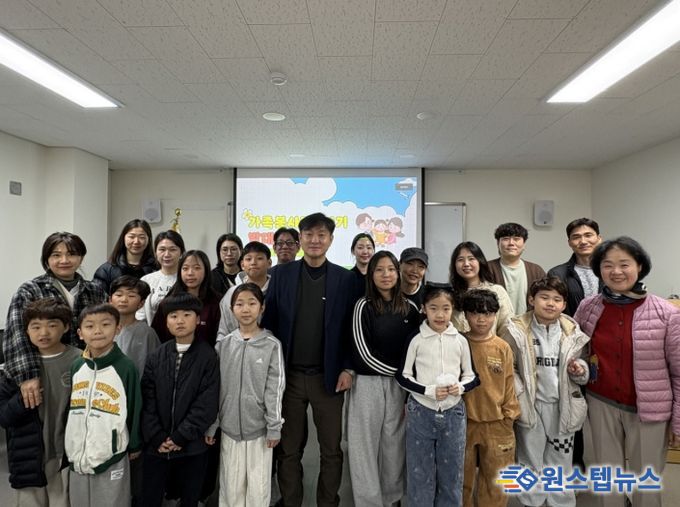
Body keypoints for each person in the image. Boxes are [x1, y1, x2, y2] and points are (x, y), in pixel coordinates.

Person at [261, 212, 359, 507]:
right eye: (309, 235)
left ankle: (327, 503)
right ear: (300, 239)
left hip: (328, 378)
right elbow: (270, 323)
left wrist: (348, 367)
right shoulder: (281, 275)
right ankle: (291, 501)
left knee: (331, 450)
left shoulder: (345, 279)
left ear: (330, 239)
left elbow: (351, 328)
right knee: (289, 449)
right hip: (288, 377)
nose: (315, 240)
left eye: (321, 235)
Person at [574, 237, 680, 507]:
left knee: (646, 482)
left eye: (624, 264)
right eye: (608, 265)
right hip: (600, 404)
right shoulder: (588, 307)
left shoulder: (666, 313)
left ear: (640, 266)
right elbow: (577, 352)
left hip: (649, 411)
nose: (616, 272)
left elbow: (678, 373)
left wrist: (677, 420)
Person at [503, 276, 589, 507]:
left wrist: (579, 369)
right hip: (530, 405)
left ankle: (560, 502)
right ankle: (531, 501)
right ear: (532, 300)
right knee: (530, 457)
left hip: (563, 406)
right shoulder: (515, 330)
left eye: (557, 299)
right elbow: (508, 367)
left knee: (561, 458)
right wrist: (519, 393)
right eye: (544, 297)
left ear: (564, 304)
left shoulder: (572, 331)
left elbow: (582, 366)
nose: (550, 303)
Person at [348, 251, 420, 506]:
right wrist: (401, 374)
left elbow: (417, 350)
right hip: (368, 384)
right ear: (371, 274)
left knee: (394, 444)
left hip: (400, 387)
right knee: (364, 448)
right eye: (379, 269)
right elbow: (363, 355)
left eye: (390, 269)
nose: (386, 275)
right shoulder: (363, 306)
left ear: (398, 273)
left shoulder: (410, 308)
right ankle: (368, 502)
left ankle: (391, 499)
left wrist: (406, 380)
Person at [396, 283, 479, 507]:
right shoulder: (416, 338)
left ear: (453, 310)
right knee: (419, 472)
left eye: (445, 308)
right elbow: (402, 376)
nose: (440, 315)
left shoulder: (460, 340)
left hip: (453, 413)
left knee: (452, 473)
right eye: (433, 308)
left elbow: (472, 376)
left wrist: (461, 387)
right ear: (424, 309)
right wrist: (428, 391)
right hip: (421, 411)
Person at [4, 232, 106, 411]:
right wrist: (28, 376)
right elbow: (17, 334)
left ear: (81, 257)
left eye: (71, 254)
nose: (64, 260)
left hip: (87, 370)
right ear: (47, 259)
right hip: (44, 371)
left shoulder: (95, 290)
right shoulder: (30, 290)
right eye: (56, 255)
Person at [207, 283, 285, 506]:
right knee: (230, 489)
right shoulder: (224, 345)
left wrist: (274, 426)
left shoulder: (271, 345)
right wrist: (213, 424)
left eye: (252, 303)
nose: (246, 309)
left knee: (258, 491)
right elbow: (216, 389)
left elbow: (275, 389)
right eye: (239, 304)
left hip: (260, 432)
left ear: (262, 308)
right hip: (229, 430)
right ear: (231, 309)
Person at [141, 293, 220, 507]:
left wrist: (180, 436)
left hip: (191, 446)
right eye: (173, 316)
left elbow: (207, 402)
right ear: (166, 322)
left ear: (198, 319)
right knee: (149, 498)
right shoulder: (156, 355)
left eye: (187, 315)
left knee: (189, 499)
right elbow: (147, 400)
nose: (180, 321)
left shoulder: (208, 356)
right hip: (157, 446)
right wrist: (157, 436)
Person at [0, 299, 81, 506]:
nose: (43, 333)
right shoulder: (17, 368)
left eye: (52, 325)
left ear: (66, 327)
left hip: (65, 453)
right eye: (35, 327)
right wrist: (22, 400)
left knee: (64, 501)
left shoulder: (80, 360)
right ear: (26, 331)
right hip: (29, 455)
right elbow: (4, 416)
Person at [65, 303, 143, 507]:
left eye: (105, 324)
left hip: (111, 455)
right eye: (90, 326)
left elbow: (135, 406)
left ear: (118, 328)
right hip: (78, 455)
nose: (98, 331)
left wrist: (135, 444)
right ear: (80, 333)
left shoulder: (126, 367)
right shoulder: (77, 367)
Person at [460, 290, 519, 507]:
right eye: (475, 313)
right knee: (460, 478)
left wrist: (509, 416)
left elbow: (509, 383)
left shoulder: (502, 347)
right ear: (466, 315)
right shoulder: (458, 342)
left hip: (497, 422)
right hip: (463, 422)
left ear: (495, 315)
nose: (481, 319)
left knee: (496, 479)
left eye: (487, 313)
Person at [151, 250, 221, 346]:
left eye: (196, 268)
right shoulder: (168, 303)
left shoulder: (217, 302)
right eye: (185, 268)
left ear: (206, 270)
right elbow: (157, 336)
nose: (190, 273)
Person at [449, 241, 514, 337]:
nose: (466, 264)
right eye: (460, 260)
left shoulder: (497, 291)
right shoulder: (449, 293)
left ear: (480, 261)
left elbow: (507, 329)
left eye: (471, 259)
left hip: (491, 346)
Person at [548, 218, 603, 316]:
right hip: (571, 325)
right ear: (569, 242)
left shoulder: (611, 271)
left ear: (599, 239)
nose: (583, 241)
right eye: (576, 237)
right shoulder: (557, 274)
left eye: (588, 235)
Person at [217, 241, 272, 339]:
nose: (253, 263)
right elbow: (223, 329)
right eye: (248, 259)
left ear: (269, 263)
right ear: (242, 265)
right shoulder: (232, 293)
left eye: (259, 258)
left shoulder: (277, 291)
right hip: (234, 346)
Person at [488, 222, 546, 314]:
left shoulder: (536, 271)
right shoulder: (486, 269)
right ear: (498, 243)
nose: (511, 243)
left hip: (528, 322)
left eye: (516, 239)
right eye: (506, 239)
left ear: (524, 244)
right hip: (497, 322)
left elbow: (545, 299)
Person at [110, 276, 160, 376]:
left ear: (141, 303)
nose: (124, 299)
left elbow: (156, 365)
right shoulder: (102, 329)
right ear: (110, 300)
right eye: (119, 295)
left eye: (131, 296)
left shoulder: (147, 333)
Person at [94, 219, 156, 294]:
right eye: (131, 237)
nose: (136, 241)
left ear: (149, 239)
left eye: (142, 237)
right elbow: (97, 297)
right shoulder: (106, 270)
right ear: (123, 238)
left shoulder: (156, 268)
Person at [137, 230, 185, 325]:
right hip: (151, 332)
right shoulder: (146, 280)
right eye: (162, 249)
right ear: (155, 253)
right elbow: (140, 315)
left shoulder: (186, 279)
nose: (167, 254)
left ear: (181, 253)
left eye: (172, 249)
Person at [210, 233, 243, 297]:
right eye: (225, 250)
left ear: (241, 251)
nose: (229, 253)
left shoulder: (247, 274)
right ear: (219, 252)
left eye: (233, 249)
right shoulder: (212, 276)